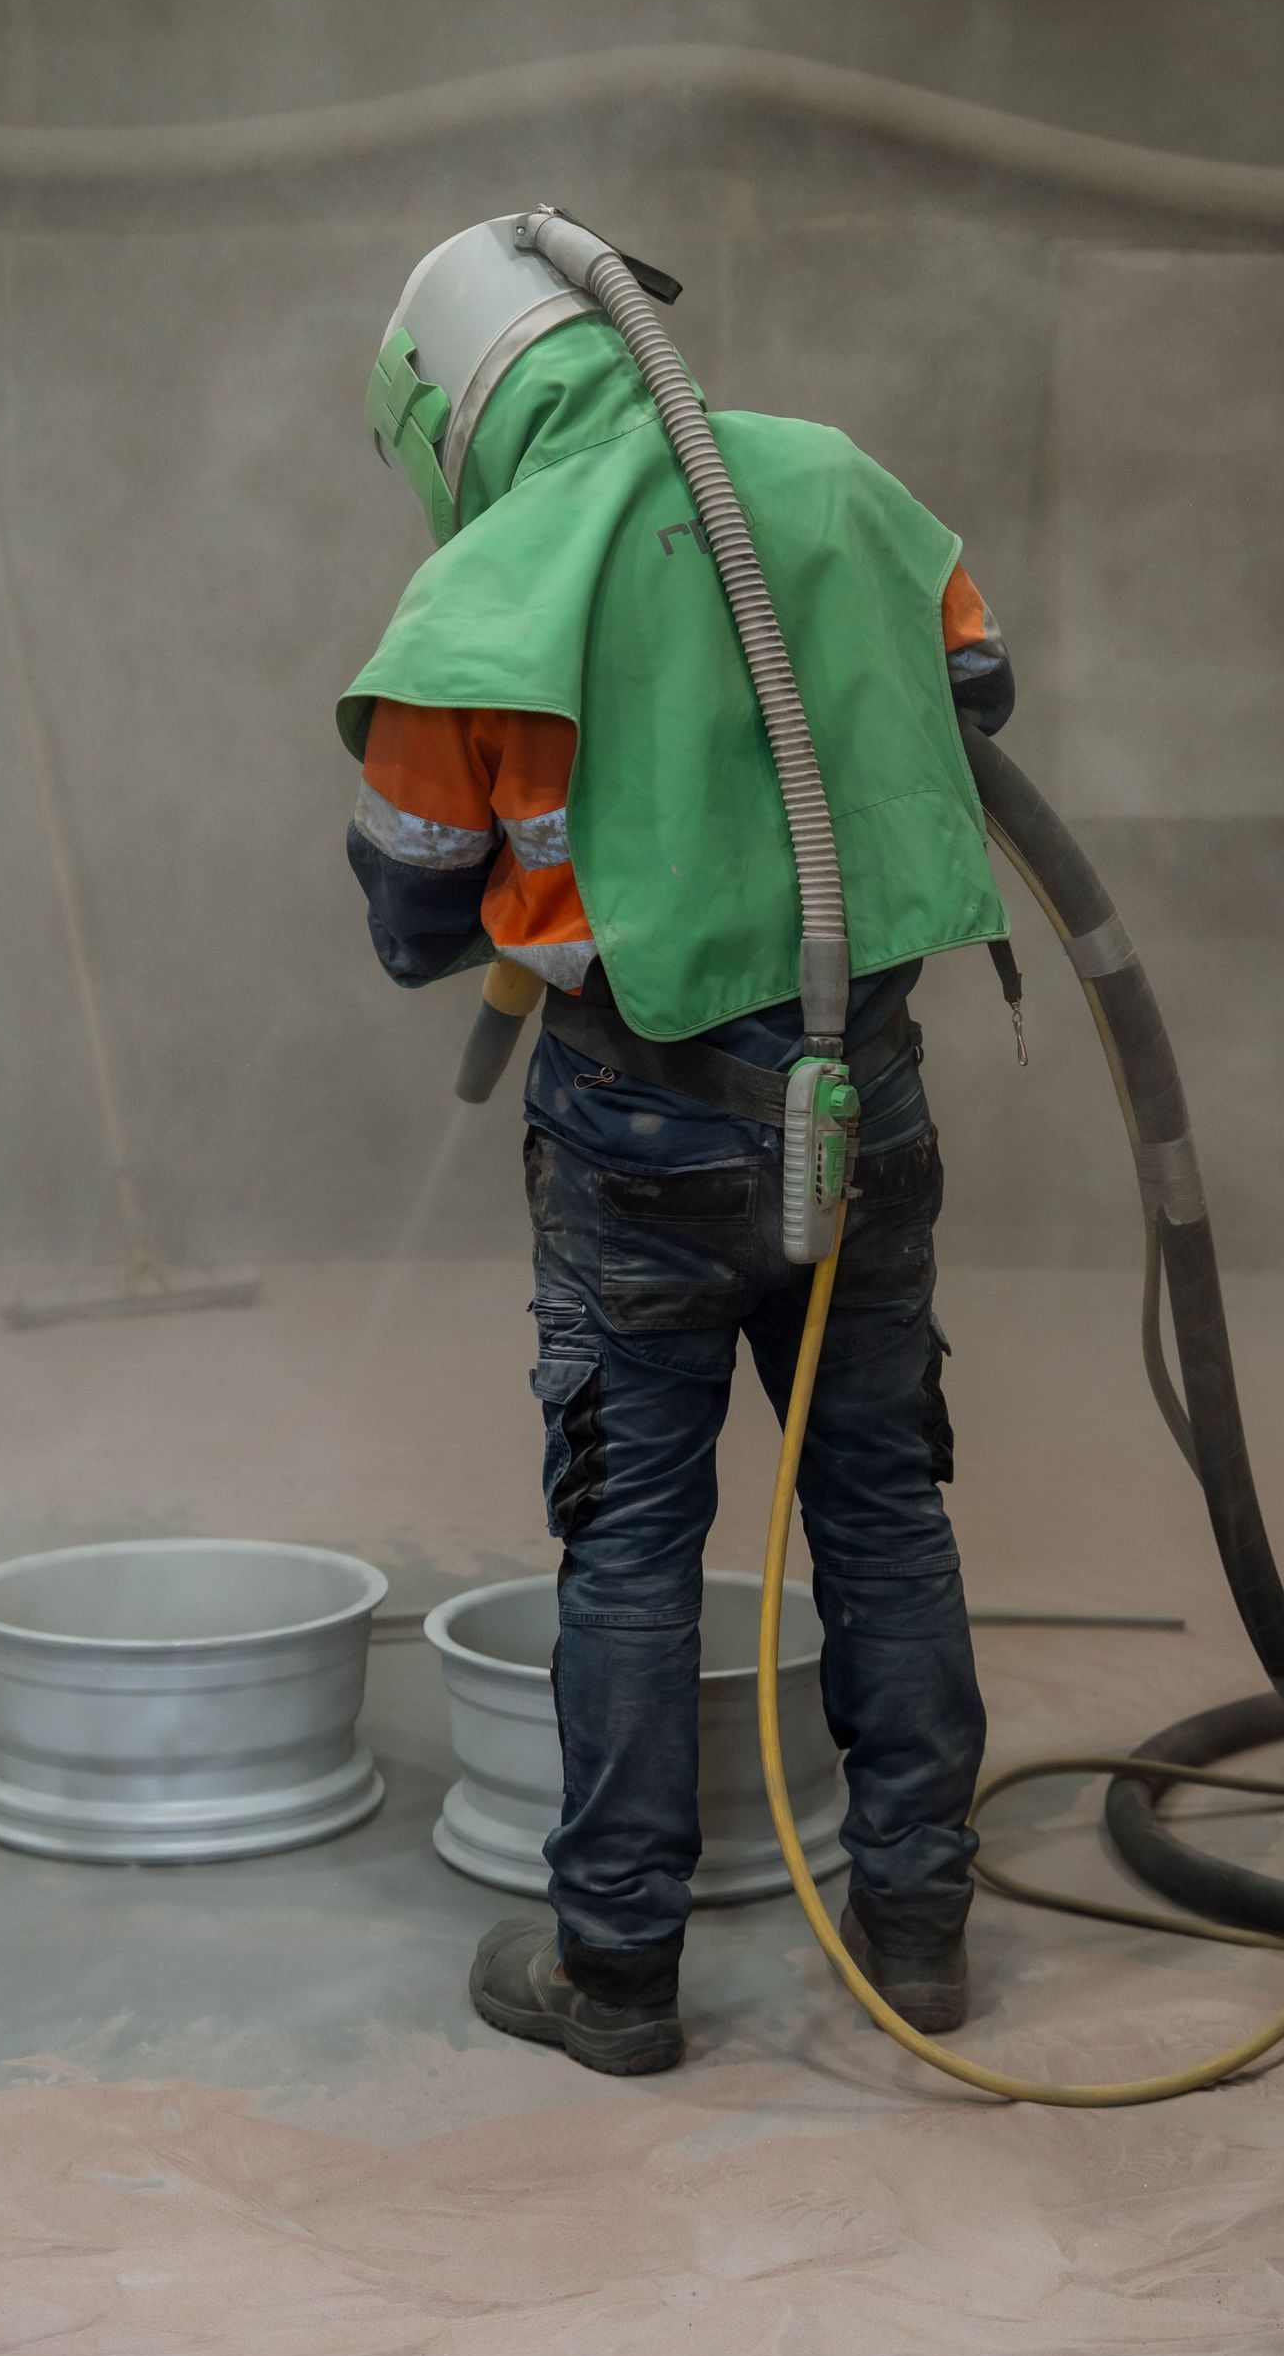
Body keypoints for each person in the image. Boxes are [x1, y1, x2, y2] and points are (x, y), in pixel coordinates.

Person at [339, 216, 1015, 2076]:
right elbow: (973, 706)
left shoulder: (482, 595)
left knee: (634, 1542)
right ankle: (922, 1936)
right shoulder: (840, 483)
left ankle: (618, 1977)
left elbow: (414, 923)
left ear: (453, 408)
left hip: (635, 1125)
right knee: (881, 1506)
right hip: (858, 1090)